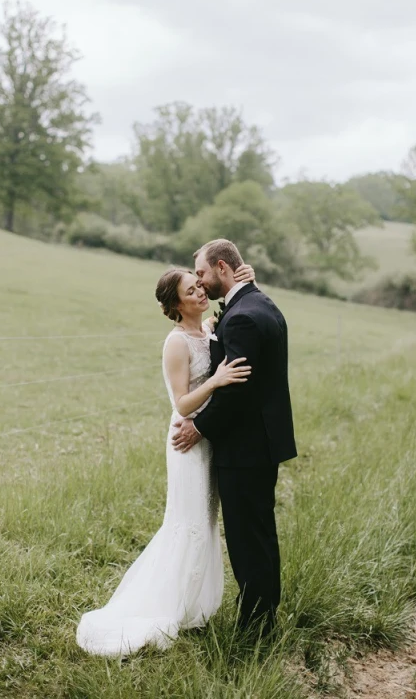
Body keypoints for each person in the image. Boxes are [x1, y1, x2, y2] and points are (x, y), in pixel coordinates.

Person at [76, 262, 255, 657]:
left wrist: (245, 279)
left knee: (205, 523)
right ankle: (166, 606)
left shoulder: (205, 331)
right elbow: (181, 402)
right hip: (187, 442)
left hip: (208, 440)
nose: (201, 293)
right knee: (187, 523)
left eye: (200, 286)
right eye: (191, 291)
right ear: (176, 303)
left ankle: (193, 606)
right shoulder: (176, 342)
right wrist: (216, 380)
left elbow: (227, 304)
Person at [173, 239, 297, 638]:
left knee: (248, 540)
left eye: (204, 273)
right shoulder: (260, 303)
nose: (201, 281)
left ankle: (258, 628)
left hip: (246, 448)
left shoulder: (243, 316)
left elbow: (237, 391)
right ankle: (262, 618)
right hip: (262, 442)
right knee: (257, 534)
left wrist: (199, 427)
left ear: (223, 268)